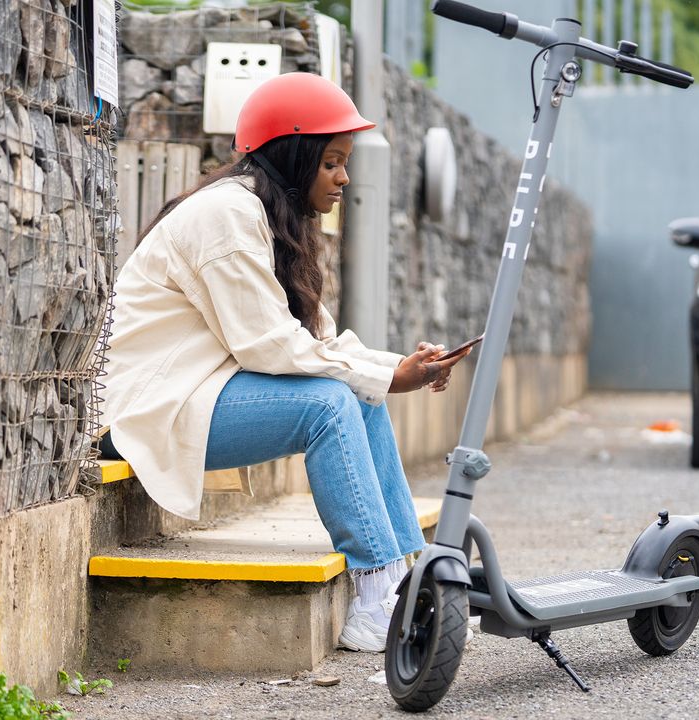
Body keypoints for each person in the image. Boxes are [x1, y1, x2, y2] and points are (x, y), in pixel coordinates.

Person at [99, 72, 471, 652]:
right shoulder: (225, 214)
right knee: (330, 404)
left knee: (359, 395)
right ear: (293, 157)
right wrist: (386, 374)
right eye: (331, 162)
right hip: (147, 412)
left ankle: (406, 583)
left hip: (200, 393)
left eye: (344, 162)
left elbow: (312, 340)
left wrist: (396, 368)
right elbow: (269, 346)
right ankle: (376, 594)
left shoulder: (270, 217)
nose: (344, 177)